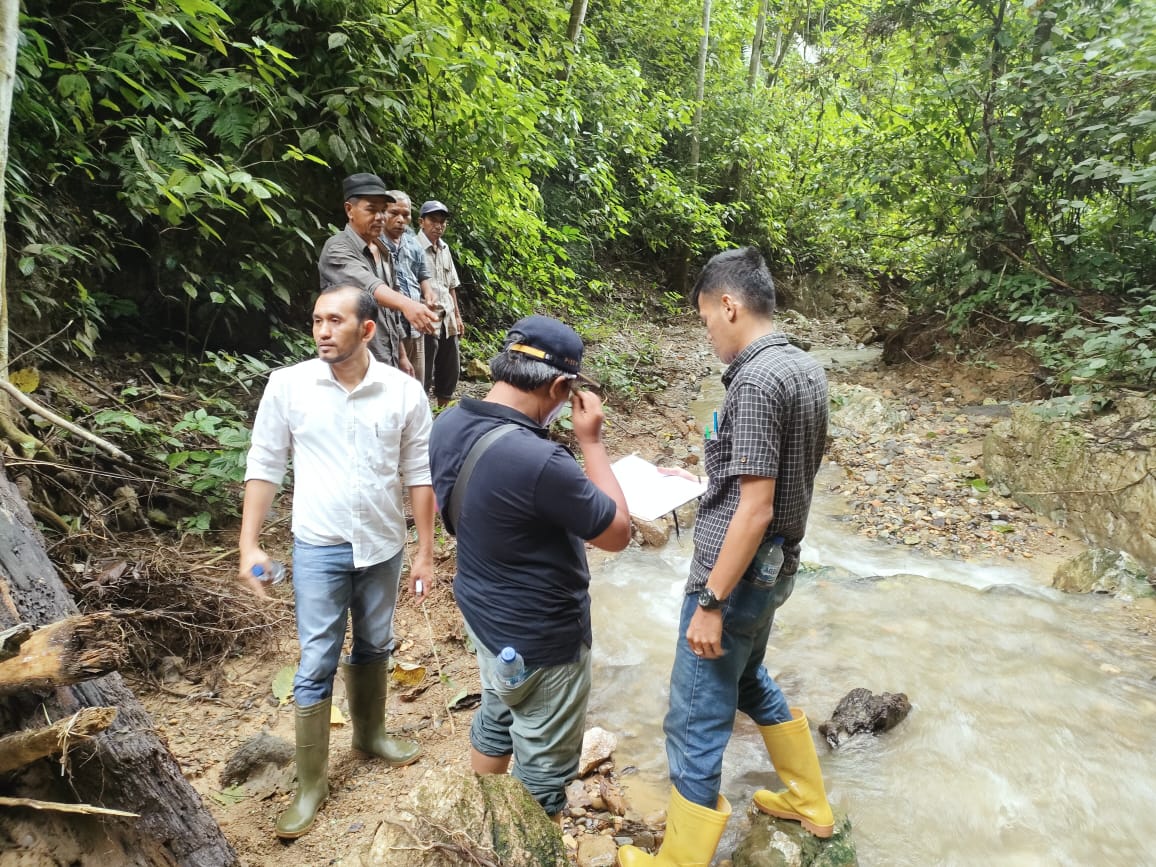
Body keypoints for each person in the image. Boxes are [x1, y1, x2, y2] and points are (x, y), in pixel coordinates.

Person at [617, 248, 833, 866]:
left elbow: (757, 509)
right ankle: (808, 802)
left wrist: (710, 601)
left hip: (733, 577)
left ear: (729, 305)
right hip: (773, 571)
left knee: (693, 718)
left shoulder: (757, 381)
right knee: (747, 679)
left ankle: (678, 861)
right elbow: (782, 476)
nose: (707, 332)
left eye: (706, 318)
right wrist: (711, 481)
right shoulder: (803, 369)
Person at [237, 284, 436, 839]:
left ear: (366, 329)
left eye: (335, 321)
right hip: (319, 545)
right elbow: (265, 463)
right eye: (317, 319)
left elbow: (417, 473)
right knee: (316, 659)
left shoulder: (402, 392)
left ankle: (370, 735)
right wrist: (248, 544)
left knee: (377, 642)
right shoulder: (289, 386)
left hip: (382, 545)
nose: (322, 330)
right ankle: (311, 784)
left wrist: (425, 551)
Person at [428, 315, 631, 816]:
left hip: (484, 616)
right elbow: (618, 534)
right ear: (561, 385)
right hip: (544, 640)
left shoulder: (449, 423)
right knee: (542, 774)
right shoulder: (541, 461)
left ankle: (480, 819)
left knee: (497, 710)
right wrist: (592, 442)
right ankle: (521, 839)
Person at [317, 173, 438, 377]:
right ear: (349, 210)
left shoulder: (383, 250)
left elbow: (391, 314)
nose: (380, 217)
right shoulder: (337, 248)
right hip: (352, 360)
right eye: (371, 209)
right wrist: (407, 304)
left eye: (382, 210)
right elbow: (369, 286)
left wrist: (401, 355)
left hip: (385, 355)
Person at [380, 190, 437, 389]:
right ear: (382, 213)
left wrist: (428, 294)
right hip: (389, 327)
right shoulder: (375, 244)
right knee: (395, 383)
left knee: (417, 383)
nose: (400, 220)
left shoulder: (412, 243)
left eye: (405, 215)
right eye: (394, 213)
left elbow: (422, 274)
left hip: (415, 327)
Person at [416, 200, 465, 407]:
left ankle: (442, 412)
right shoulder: (413, 247)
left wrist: (457, 315)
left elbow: (451, 285)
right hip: (426, 318)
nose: (439, 226)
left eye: (442, 222)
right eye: (433, 221)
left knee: (450, 369)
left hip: (448, 318)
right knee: (424, 370)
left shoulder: (444, 248)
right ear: (421, 222)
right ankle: (422, 415)